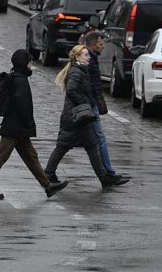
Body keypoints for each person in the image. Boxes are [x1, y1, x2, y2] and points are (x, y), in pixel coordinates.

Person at [0, 49, 68, 200]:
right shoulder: (21, 81)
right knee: (1, 157)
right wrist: (28, 124)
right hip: (15, 128)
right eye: (29, 61)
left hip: (16, 127)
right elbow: (23, 105)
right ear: (23, 63)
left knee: (31, 156)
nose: (31, 64)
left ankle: (48, 186)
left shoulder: (16, 77)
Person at [45, 46, 127, 188]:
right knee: (66, 146)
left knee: (87, 146)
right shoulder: (77, 72)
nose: (88, 57)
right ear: (77, 57)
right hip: (75, 117)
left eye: (88, 55)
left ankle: (103, 178)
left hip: (77, 117)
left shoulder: (80, 70)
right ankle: (49, 174)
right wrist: (84, 103)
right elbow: (71, 90)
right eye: (85, 55)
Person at [82, 30, 128, 185]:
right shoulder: (88, 59)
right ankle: (108, 174)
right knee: (99, 139)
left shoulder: (91, 58)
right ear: (94, 44)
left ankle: (107, 173)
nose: (103, 47)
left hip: (89, 105)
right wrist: (93, 101)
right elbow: (87, 84)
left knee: (67, 143)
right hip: (89, 106)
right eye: (101, 44)